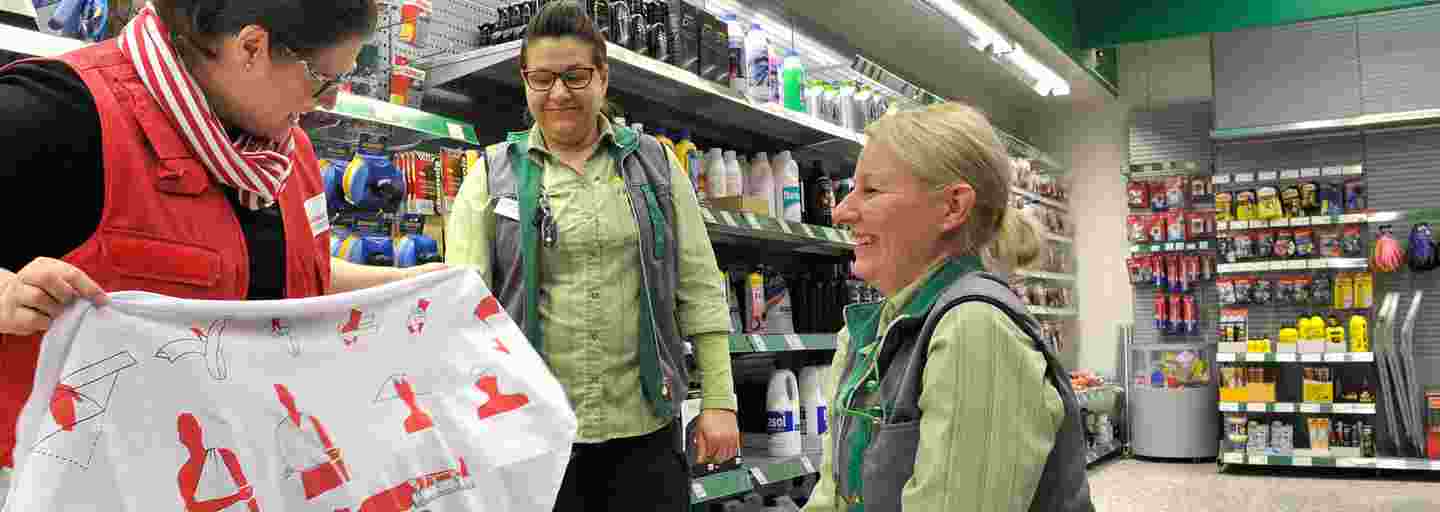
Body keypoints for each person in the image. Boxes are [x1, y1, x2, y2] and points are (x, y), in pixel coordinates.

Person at [0, 0, 443, 472]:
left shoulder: (286, 159)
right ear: (252, 46)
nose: (330, 101)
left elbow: (293, 271)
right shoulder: (58, 114)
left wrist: (411, 280)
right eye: (322, 78)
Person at [444, 2, 739, 510]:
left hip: (645, 430)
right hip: (533, 437)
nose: (558, 93)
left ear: (602, 77)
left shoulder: (655, 166)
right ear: (525, 81)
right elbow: (463, 315)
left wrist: (719, 400)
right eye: (542, 79)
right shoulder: (490, 176)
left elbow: (699, 289)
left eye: (576, 76)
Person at [803, 103, 1094, 511]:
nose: (842, 211)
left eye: (870, 191)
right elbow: (830, 497)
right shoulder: (869, 330)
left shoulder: (975, 329)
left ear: (952, 207)